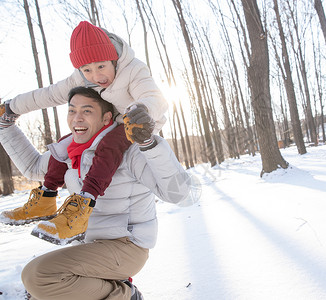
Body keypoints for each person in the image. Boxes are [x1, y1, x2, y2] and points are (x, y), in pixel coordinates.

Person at [0, 86, 194, 299]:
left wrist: (148, 144)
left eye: (87, 111)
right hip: (89, 244)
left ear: (106, 118)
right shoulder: (69, 152)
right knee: (41, 291)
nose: (77, 118)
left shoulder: (128, 150)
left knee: (38, 276)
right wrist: (5, 126)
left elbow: (180, 194)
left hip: (127, 246)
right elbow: (33, 168)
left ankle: (124, 295)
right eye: (72, 111)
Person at [0, 21, 168, 243]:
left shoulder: (133, 70)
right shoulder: (80, 77)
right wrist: (13, 107)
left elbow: (155, 97)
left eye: (101, 66)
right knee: (68, 144)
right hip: (104, 122)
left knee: (110, 144)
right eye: (87, 70)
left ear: (113, 59)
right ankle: (47, 196)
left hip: (138, 122)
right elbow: (49, 95)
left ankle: (85, 202)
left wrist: (141, 111)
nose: (95, 76)